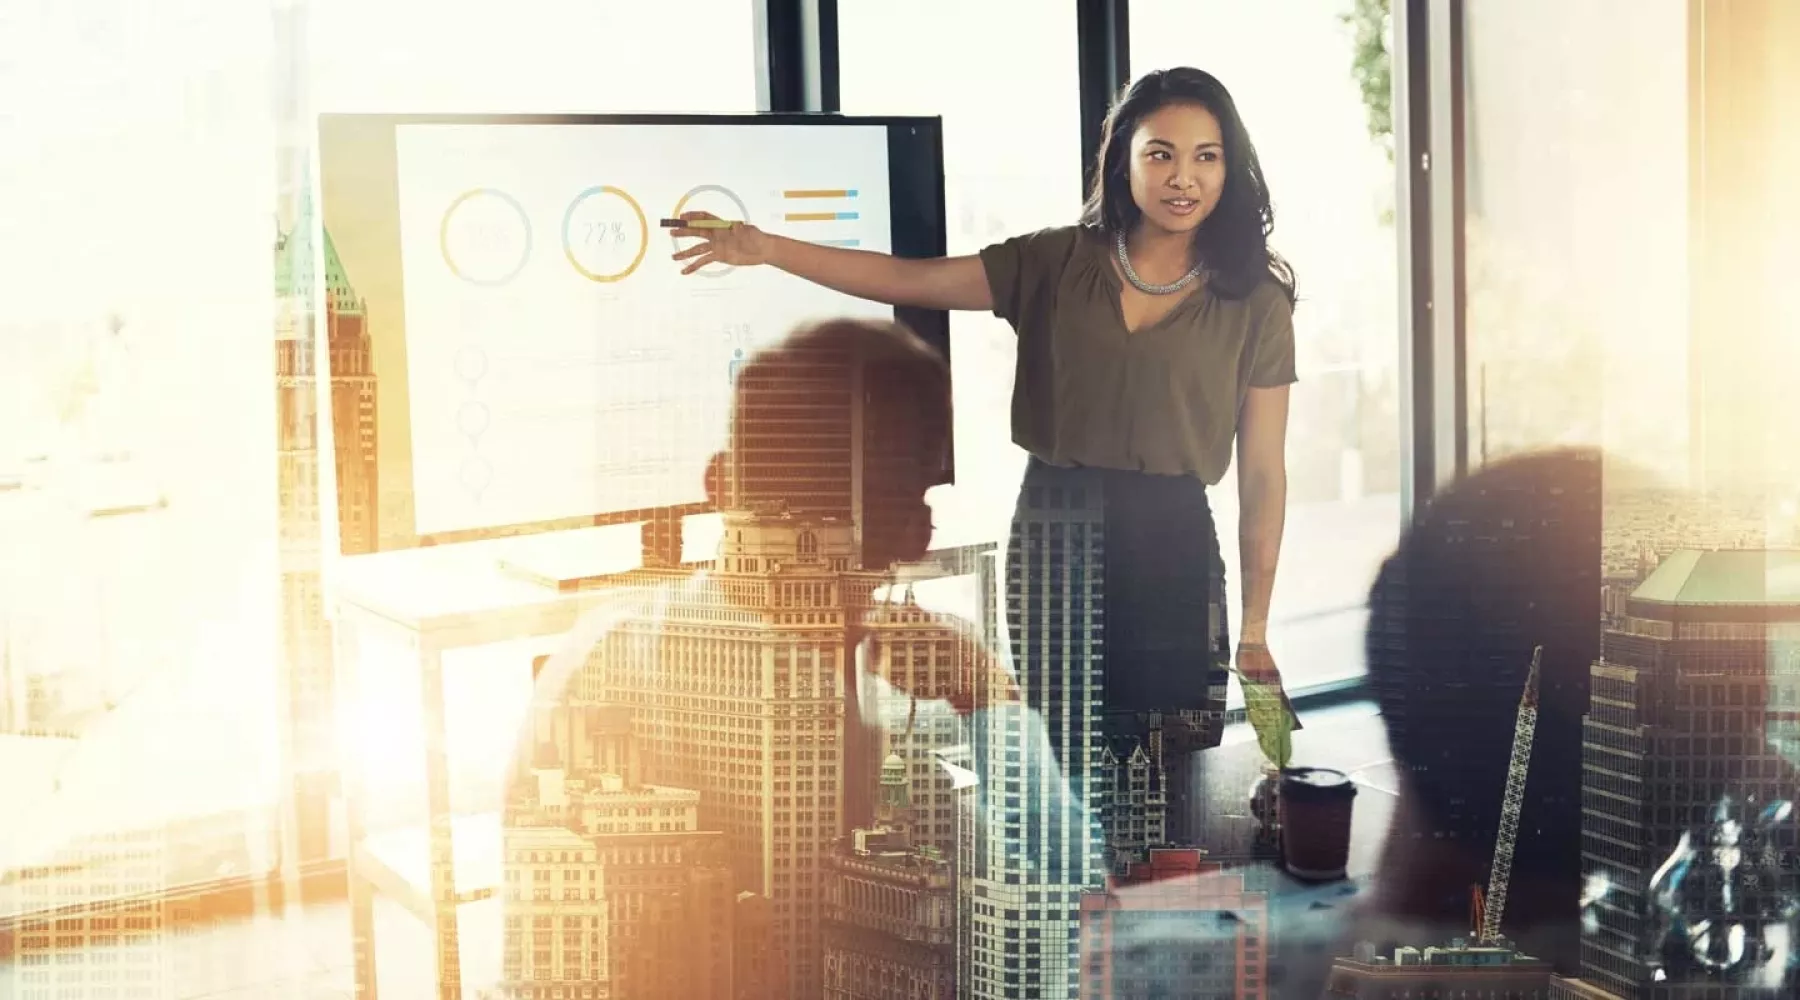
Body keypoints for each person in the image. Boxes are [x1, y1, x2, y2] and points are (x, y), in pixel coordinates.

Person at [670, 66, 1298, 852]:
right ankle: (1071, 910)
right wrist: (765, 248)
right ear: (1124, 161)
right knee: (1061, 757)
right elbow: (910, 280)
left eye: (1207, 157)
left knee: (1168, 770)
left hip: (1174, 538)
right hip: (1056, 528)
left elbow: (1264, 474)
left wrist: (1256, 627)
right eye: (1161, 154)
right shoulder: (1054, 262)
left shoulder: (1256, 298)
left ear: (1230, 166)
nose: (1184, 178)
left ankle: (1162, 915)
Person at [500, 316, 1026, 998]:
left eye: (913, 499)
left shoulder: (939, 670)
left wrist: (983, 695)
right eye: (848, 505)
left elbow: (1039, 895)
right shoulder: (605, 657)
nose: (915, 537)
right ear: (721, 486)